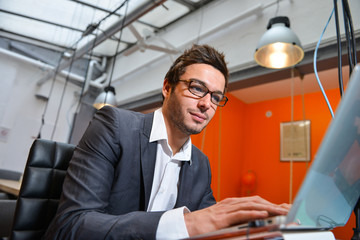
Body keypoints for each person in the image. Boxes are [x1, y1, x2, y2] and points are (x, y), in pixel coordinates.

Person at [45, 44, 289, 239]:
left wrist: (252, 226)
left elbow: (210, 227)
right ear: (167, 87)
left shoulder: (201, 164)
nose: (206, 104)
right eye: (196, 88)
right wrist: (187, 222)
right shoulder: (114, 126)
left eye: (216, 97)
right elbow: (70, 226)